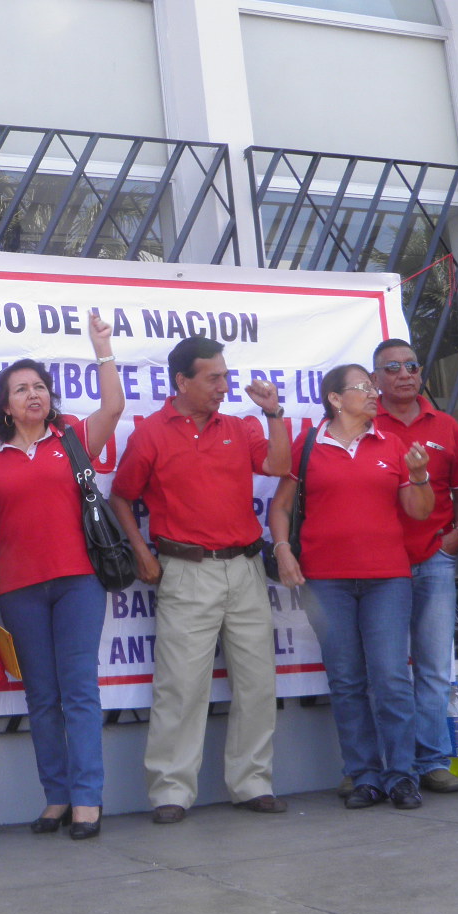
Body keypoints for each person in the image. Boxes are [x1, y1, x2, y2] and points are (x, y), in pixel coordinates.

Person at [109, 335, 290, 824]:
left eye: (225, 376)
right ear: (181, 381)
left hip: (246, 568)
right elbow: (121, 496)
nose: (223, 386)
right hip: (185, 572)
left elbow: (278, 465)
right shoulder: (150, 434)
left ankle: (253, 782)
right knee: (181, 687)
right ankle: (170, 790)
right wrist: (141, 550)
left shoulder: (241, 426)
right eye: (213, 377)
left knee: (257, 682)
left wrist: (274, 415)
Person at [0, 312, 121, 840]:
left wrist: (102, 349)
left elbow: (114, 406)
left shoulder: (74, 439)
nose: (33, 394)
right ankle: (55, 797)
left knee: (78, 690)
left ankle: (87, 801)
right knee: (41, 695)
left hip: (78, 580)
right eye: (21, 389)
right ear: (5, 405)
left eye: (40, 387)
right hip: (18, 591)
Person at [269, 364, 434, 809]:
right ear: (335, 399)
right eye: (363, 387)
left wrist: (419, 475)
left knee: (392, 678)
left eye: (372, 386)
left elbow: (419, 512)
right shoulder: (308, 445)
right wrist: (283, 549)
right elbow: (280, 507)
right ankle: (364, 776)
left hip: (387, 579)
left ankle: (403, 776)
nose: (373, 393)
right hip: (325, 581)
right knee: (345, 681)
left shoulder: (393, 444)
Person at [371, 339, 458, 794]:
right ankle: (392, 765)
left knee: (435, 667)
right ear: (376, 380)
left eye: (411, 366)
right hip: (382, 565)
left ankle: (433, 760)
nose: (404, 374)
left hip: (435, 559)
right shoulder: (364, 424)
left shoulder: (446, 425)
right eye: (392, 368)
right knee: (389, 672)